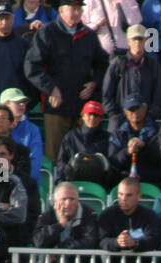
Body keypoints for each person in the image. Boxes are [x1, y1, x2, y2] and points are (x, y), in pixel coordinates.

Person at [24, 0, 111, 165]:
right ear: (62, 11)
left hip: (82, 108)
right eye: (74, 9)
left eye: (79, 9)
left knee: (82, 159)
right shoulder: (47, 32)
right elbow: (31, 66)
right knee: (56, 158)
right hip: (57, 107)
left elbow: (102, 64)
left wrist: (94, 83)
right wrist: (51, 88)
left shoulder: (89, 35)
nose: (77, 13)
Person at [103, 23, 161, 121]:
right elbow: (107, 93)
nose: (137, 43)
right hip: (120, 118)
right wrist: (113, 114)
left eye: (140, 39)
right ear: (128, 41)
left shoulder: (153, 65)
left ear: (146, 41)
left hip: (146, 119)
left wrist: (151, 115)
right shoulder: (117, 63)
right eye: (134, 39)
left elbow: (159, 95)